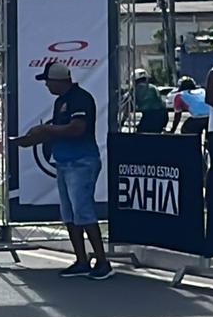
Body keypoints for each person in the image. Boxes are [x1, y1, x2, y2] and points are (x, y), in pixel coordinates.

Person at [14, 63, 111, 280]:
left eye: (48, 81)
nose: (47, 85)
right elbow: (58, 132)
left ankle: (103, 262)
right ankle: (81, 260)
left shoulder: (80, 99)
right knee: (69, 214)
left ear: (58, 80)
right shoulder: (61, 102)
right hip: (65, 161)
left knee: (83, 212)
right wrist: (32, 139)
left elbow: (77, 129)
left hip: (81, 162)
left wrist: (44, 129)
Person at [133, 69, 167, 133]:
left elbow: (126, 106)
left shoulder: (134, 90)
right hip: (163, 114)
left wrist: (122, 121)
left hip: (150, 115)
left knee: (140, 136)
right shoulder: (154, 87)